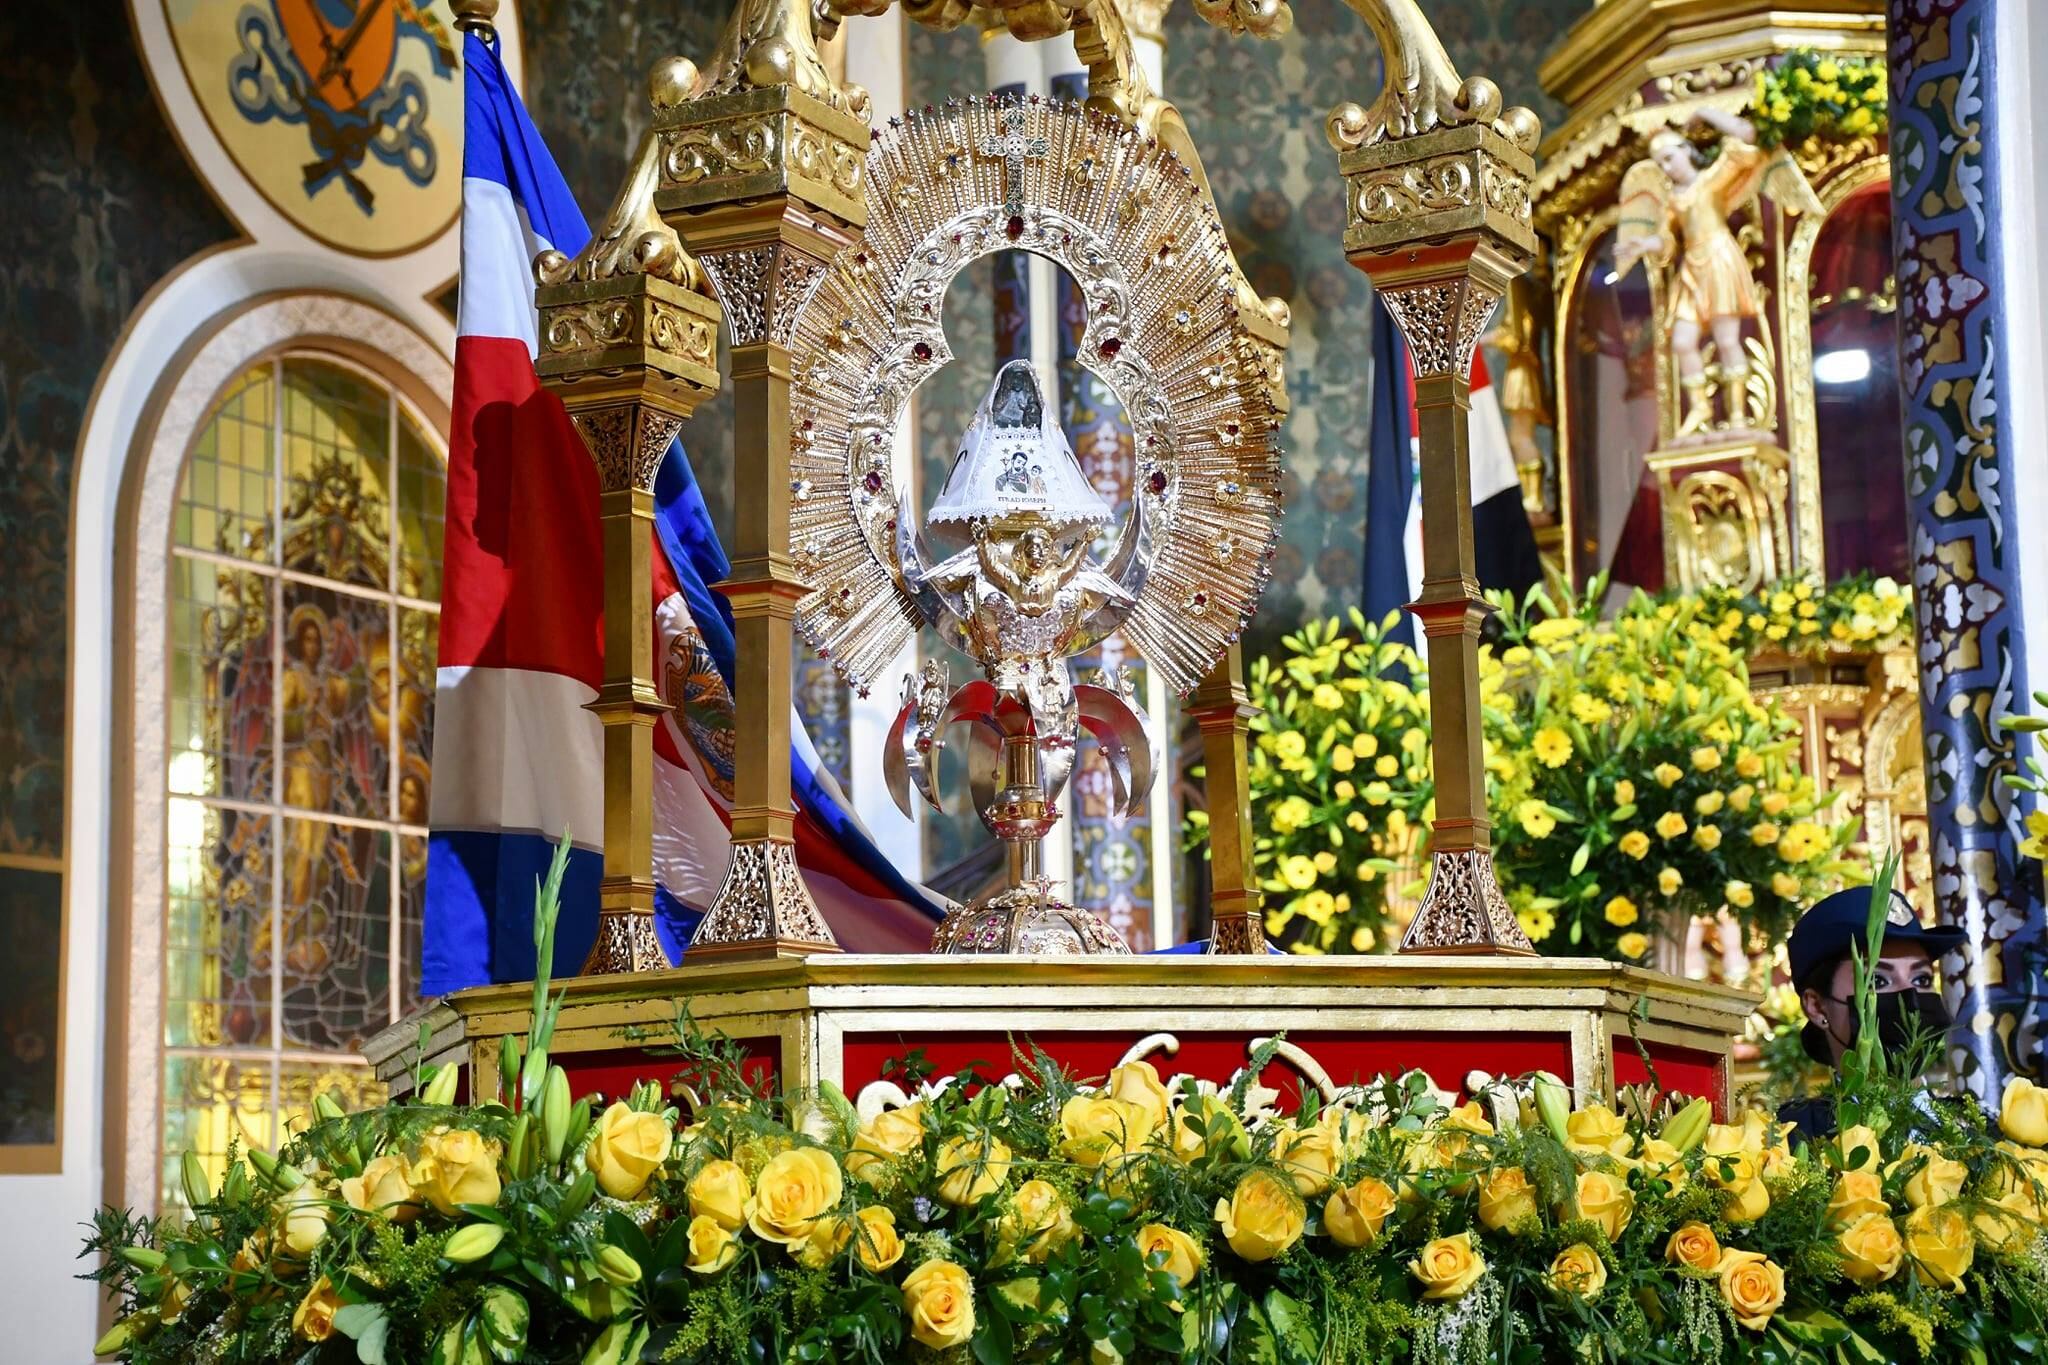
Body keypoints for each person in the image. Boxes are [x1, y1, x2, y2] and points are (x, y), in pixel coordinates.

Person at [1775, 883, 1965, 1144]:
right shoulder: (1787, 1139)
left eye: (1922, 980)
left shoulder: (1981, 1132)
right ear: (1817, 1006)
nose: (1909, 996)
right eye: (1877, 981)